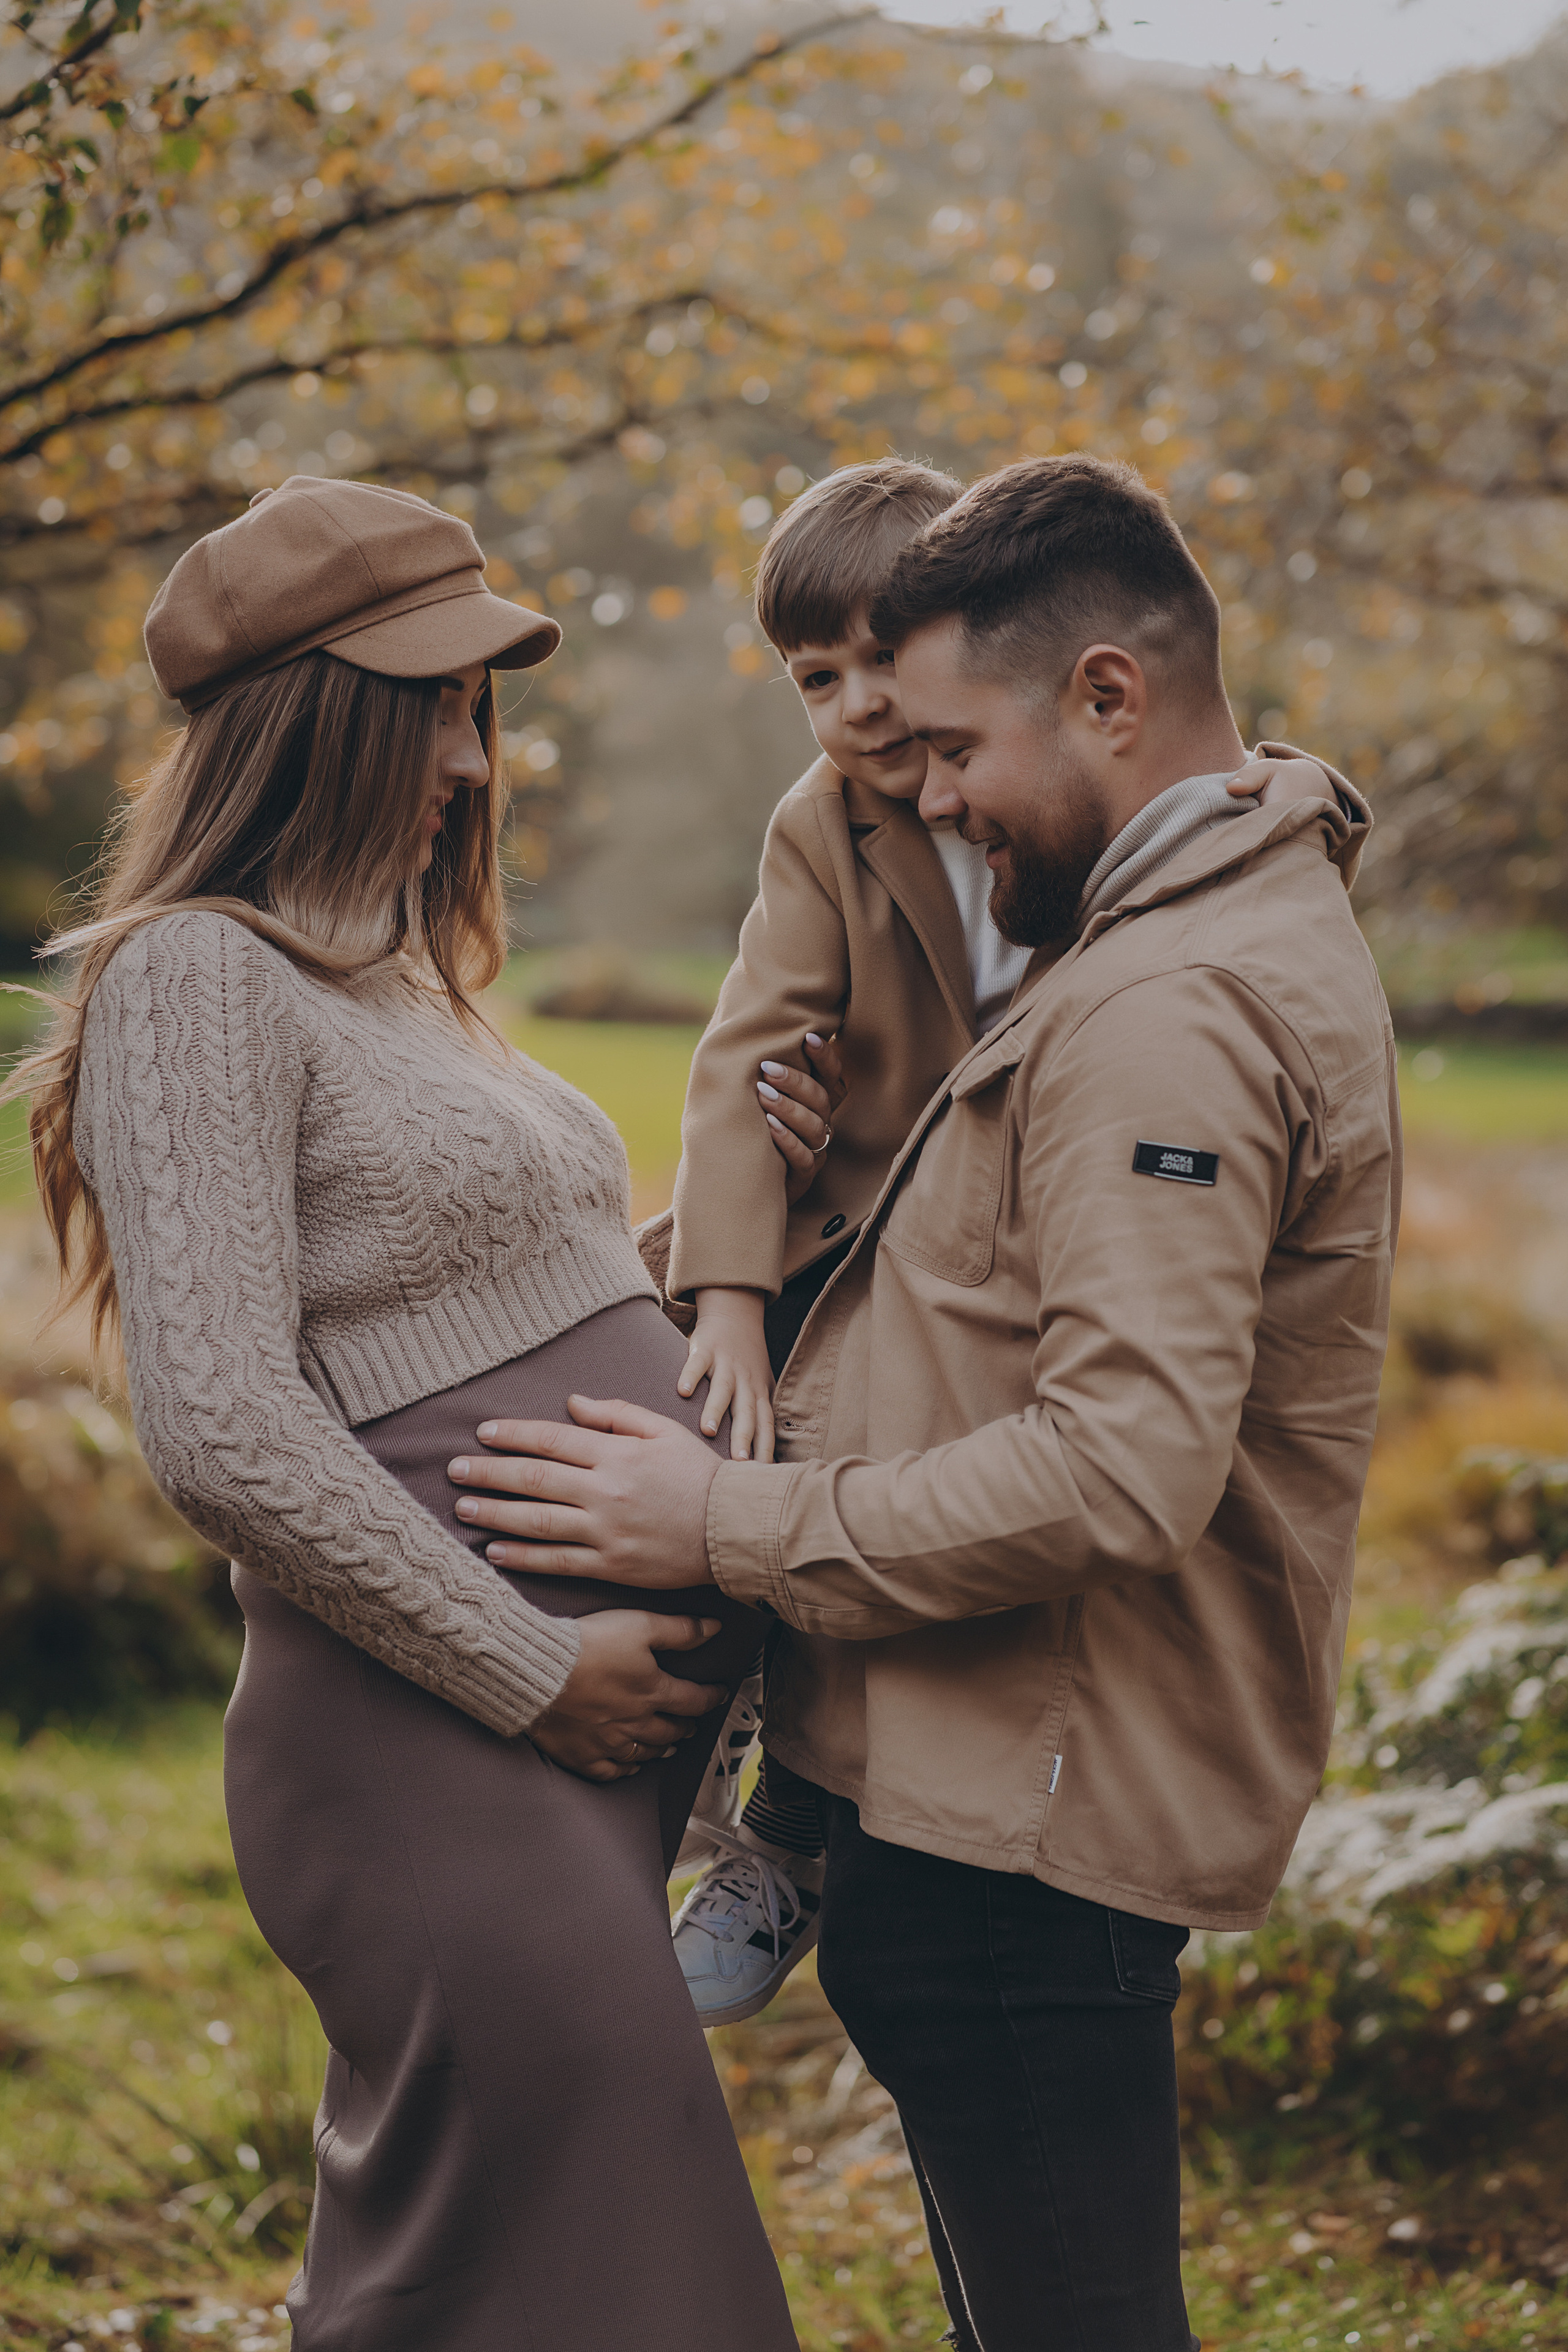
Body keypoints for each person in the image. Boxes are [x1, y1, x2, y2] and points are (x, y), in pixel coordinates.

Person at [442, 453, 1400, 2352]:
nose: (925, 790)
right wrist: (757, 1229)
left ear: (1108, 699)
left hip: (1026, 1817)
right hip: (989, 1784)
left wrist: (712, 1524)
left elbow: (1123, 1466)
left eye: (959, 743)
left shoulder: (1162, 1005)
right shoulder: (1160, 942)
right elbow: (972, 1259)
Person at [7, 477, 797, 2352]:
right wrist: (538, 1669)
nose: (472, 754)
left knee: (476, 2262)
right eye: (435, 703)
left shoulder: (410, 987)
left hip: (571, 1721)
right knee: (626, 2249)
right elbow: (218, 1425)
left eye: (476, 707)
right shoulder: (197, 975)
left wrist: (748, 1206)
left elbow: (501, 1294)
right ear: (321, 715)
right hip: (431, 1727)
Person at [654, 458, 1343, 2028]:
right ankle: (766, 1816)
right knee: (762, 1462)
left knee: (937, 1505)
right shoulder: (826, 828)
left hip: (1037, 1244)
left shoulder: (1092, 820)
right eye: (812, 680)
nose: (856, 713)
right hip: (863, 1229)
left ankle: (809, 1821)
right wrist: (732, 1300)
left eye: (882, 668)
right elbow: (739, 1060)